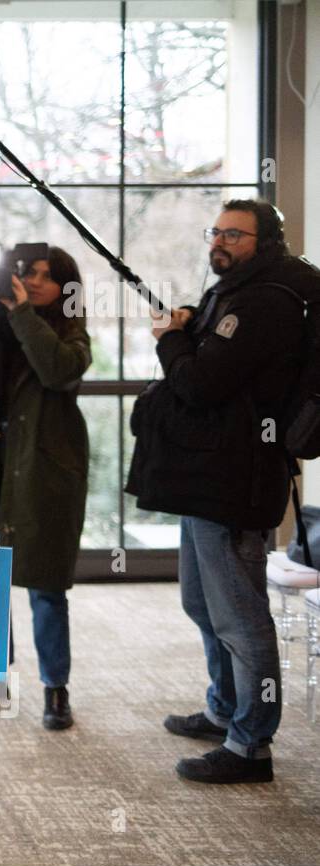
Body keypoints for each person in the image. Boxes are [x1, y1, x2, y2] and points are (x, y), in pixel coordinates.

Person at [127, 199, 306, 784]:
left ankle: (251, 743)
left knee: (241, 617)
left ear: (266, 241)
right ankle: (223, 707)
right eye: (218, 231)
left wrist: (169, 339)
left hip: (236, 481)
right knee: (203, 605)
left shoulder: (264, 301)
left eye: (236, 233)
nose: (221, 242)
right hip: (206, 478)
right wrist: (190, 326)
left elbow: (202, 384)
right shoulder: (235, 292)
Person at [0, 248, 92, 730]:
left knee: (45, 586)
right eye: (25, 273)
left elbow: (59, 369)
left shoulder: (69, 331)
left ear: (64, 288)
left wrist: (21, 314)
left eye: (45, 277)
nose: (33, 282)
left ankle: (57, 690)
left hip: (41, 472)